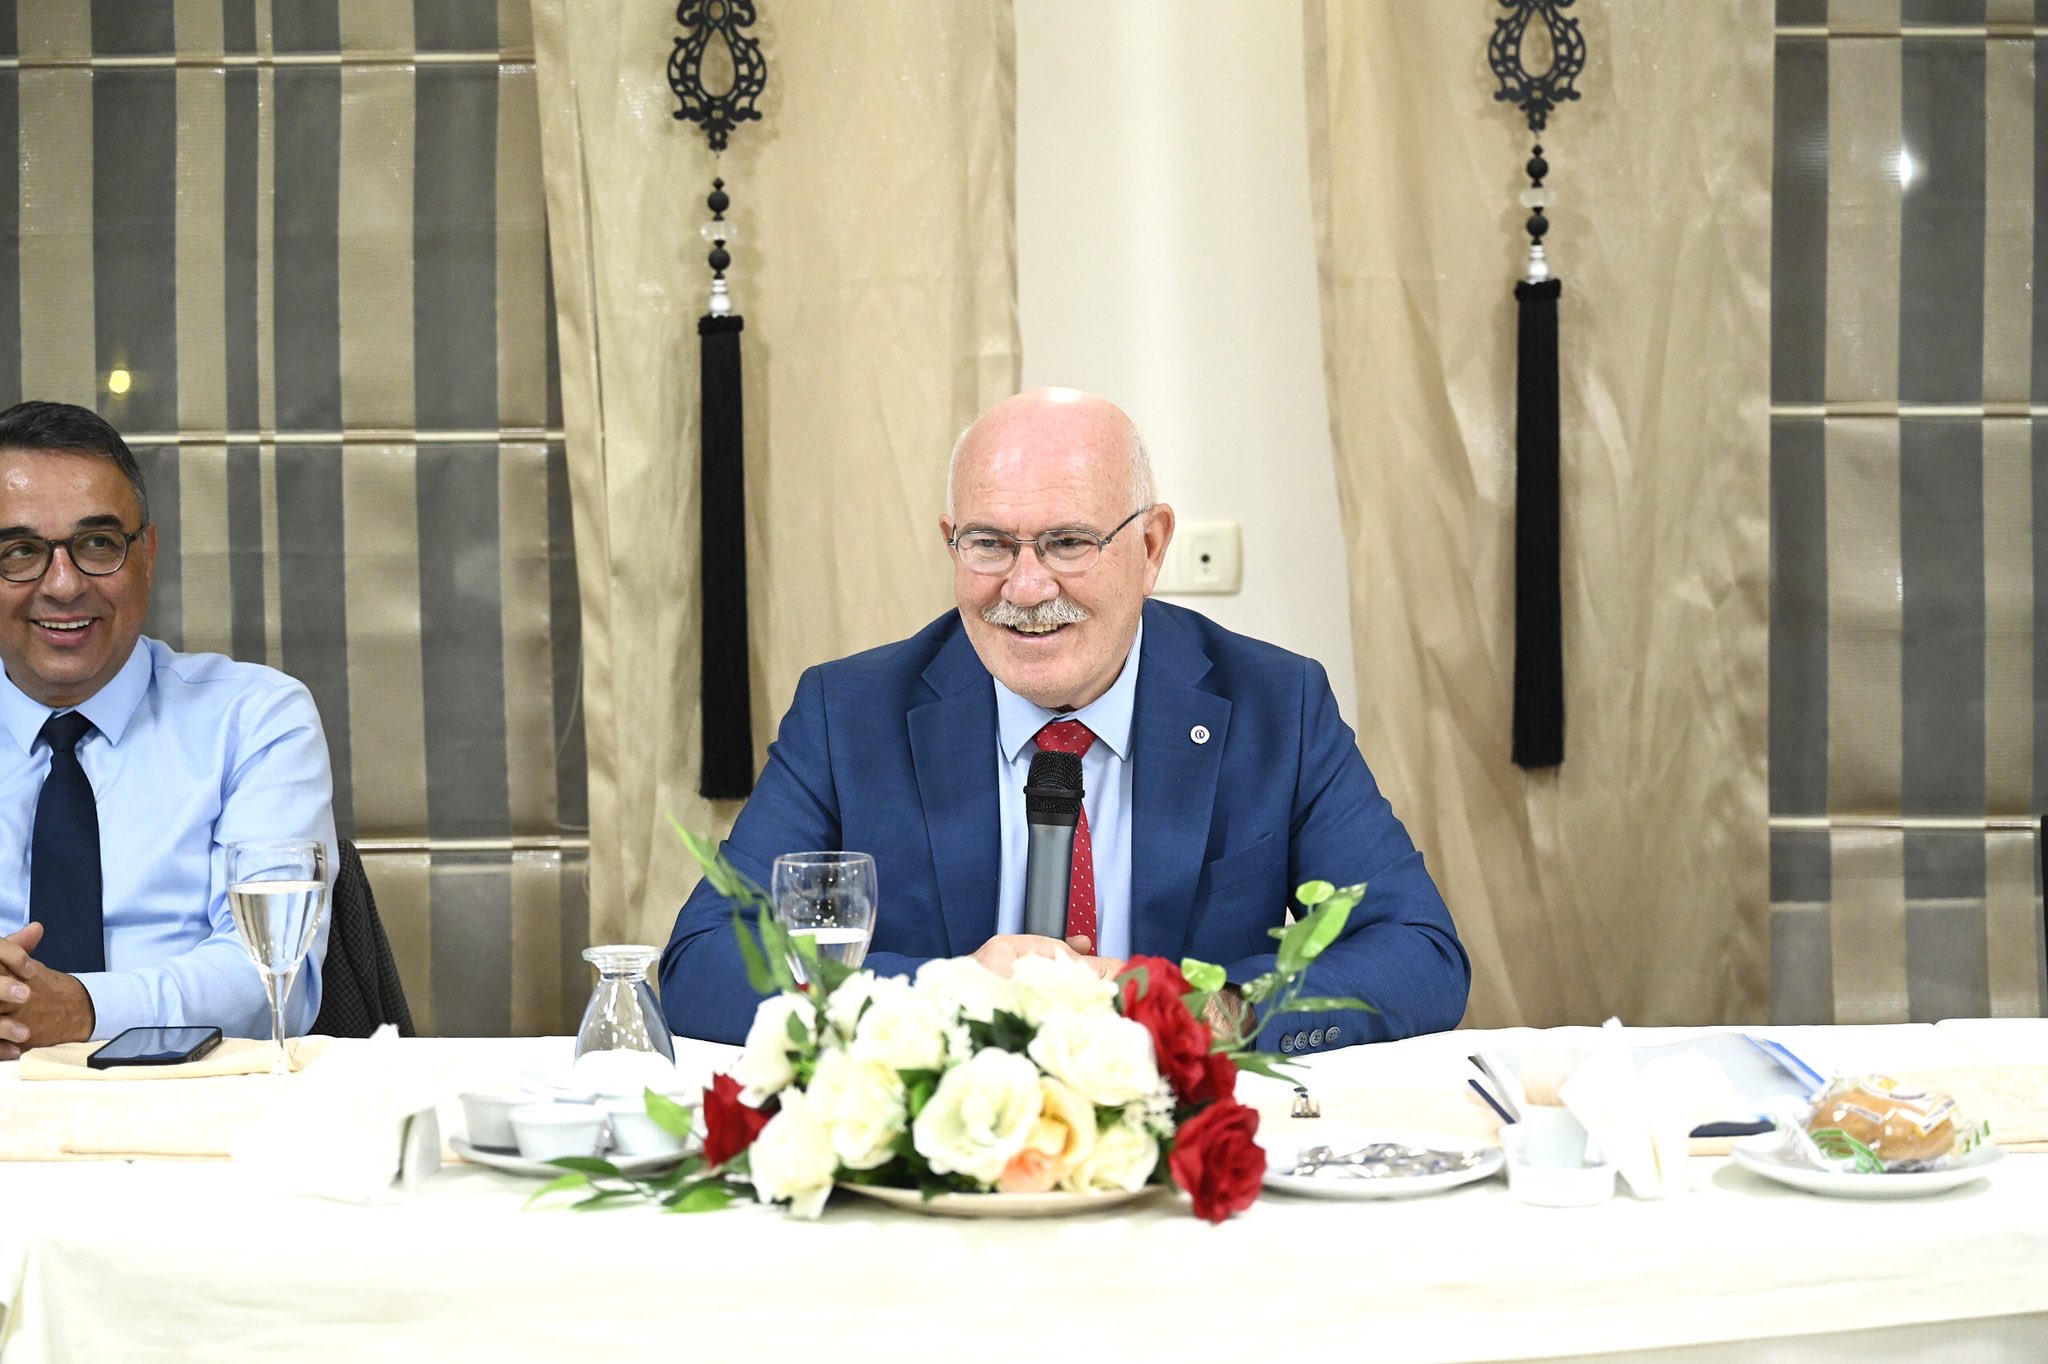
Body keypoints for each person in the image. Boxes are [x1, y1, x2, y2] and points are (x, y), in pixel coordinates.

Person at [660, 388, 1468, 1051]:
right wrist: (946, 995)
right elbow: (704, 964)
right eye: (988, 544)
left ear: (1152, 546)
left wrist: (1199, 1011)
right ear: (950, 543)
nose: (1025, 588)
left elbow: (1418, 953)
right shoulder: (851, 714)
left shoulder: (1274, 705)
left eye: (1069, 542)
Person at [0, 401, 336, 1058]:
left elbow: (275, 977)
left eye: (98, 544)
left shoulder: (254, 719)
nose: (63, 585)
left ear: (147, 555)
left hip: (195, 1093)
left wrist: (81, 1009)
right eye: (19, 551)